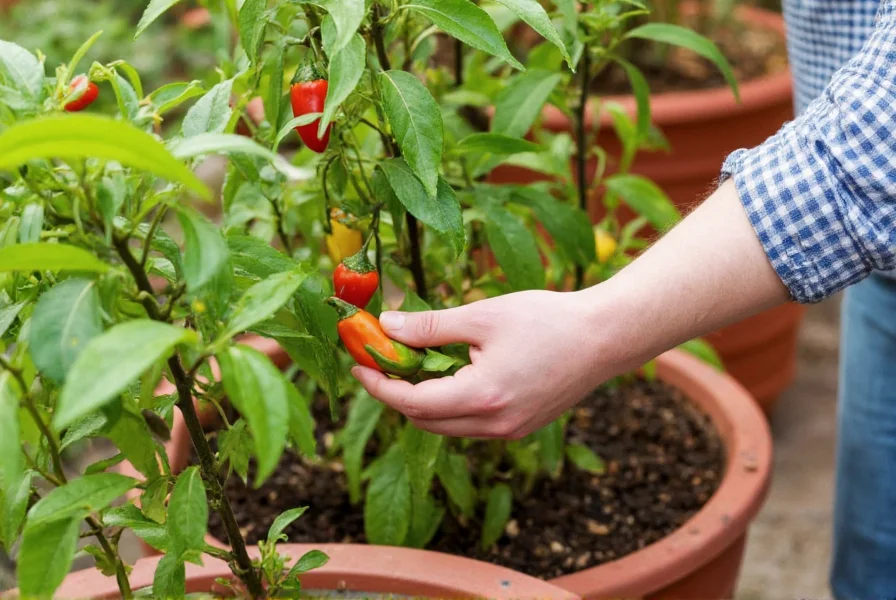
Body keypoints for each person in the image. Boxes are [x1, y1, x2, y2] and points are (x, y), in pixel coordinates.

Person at [353, 2, 896, 598]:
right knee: (873, 566)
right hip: (881, 261)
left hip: (867, 184)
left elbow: (874, 150)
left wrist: (596, 329)